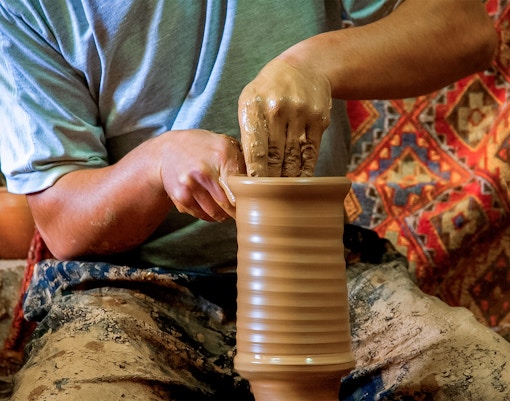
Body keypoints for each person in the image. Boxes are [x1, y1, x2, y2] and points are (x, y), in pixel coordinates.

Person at [0, 1, 503, 400]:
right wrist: (154, 168)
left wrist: (313, 62)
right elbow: (62, 225)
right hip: (133, 284)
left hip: (325, 272)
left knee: (483, 379)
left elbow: (464, 28)